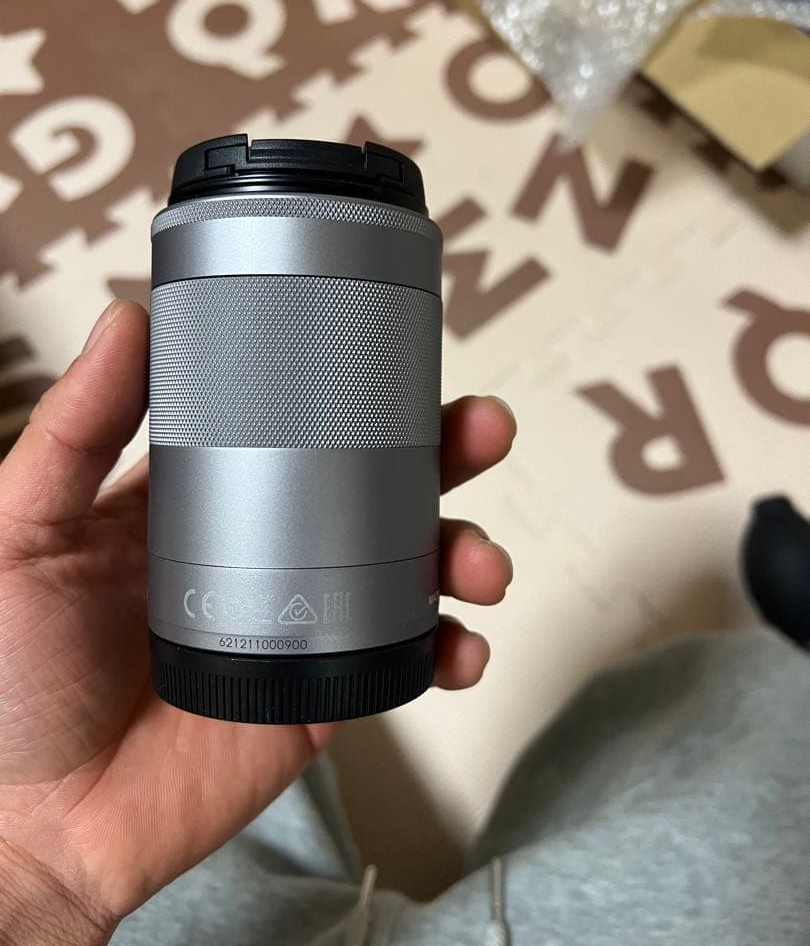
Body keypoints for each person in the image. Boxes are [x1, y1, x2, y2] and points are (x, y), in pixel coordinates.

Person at [0, 299, 807, 946]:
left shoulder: (63, 833)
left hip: (118, 892)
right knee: (755, 698)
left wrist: (34, 862)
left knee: (215, 690)